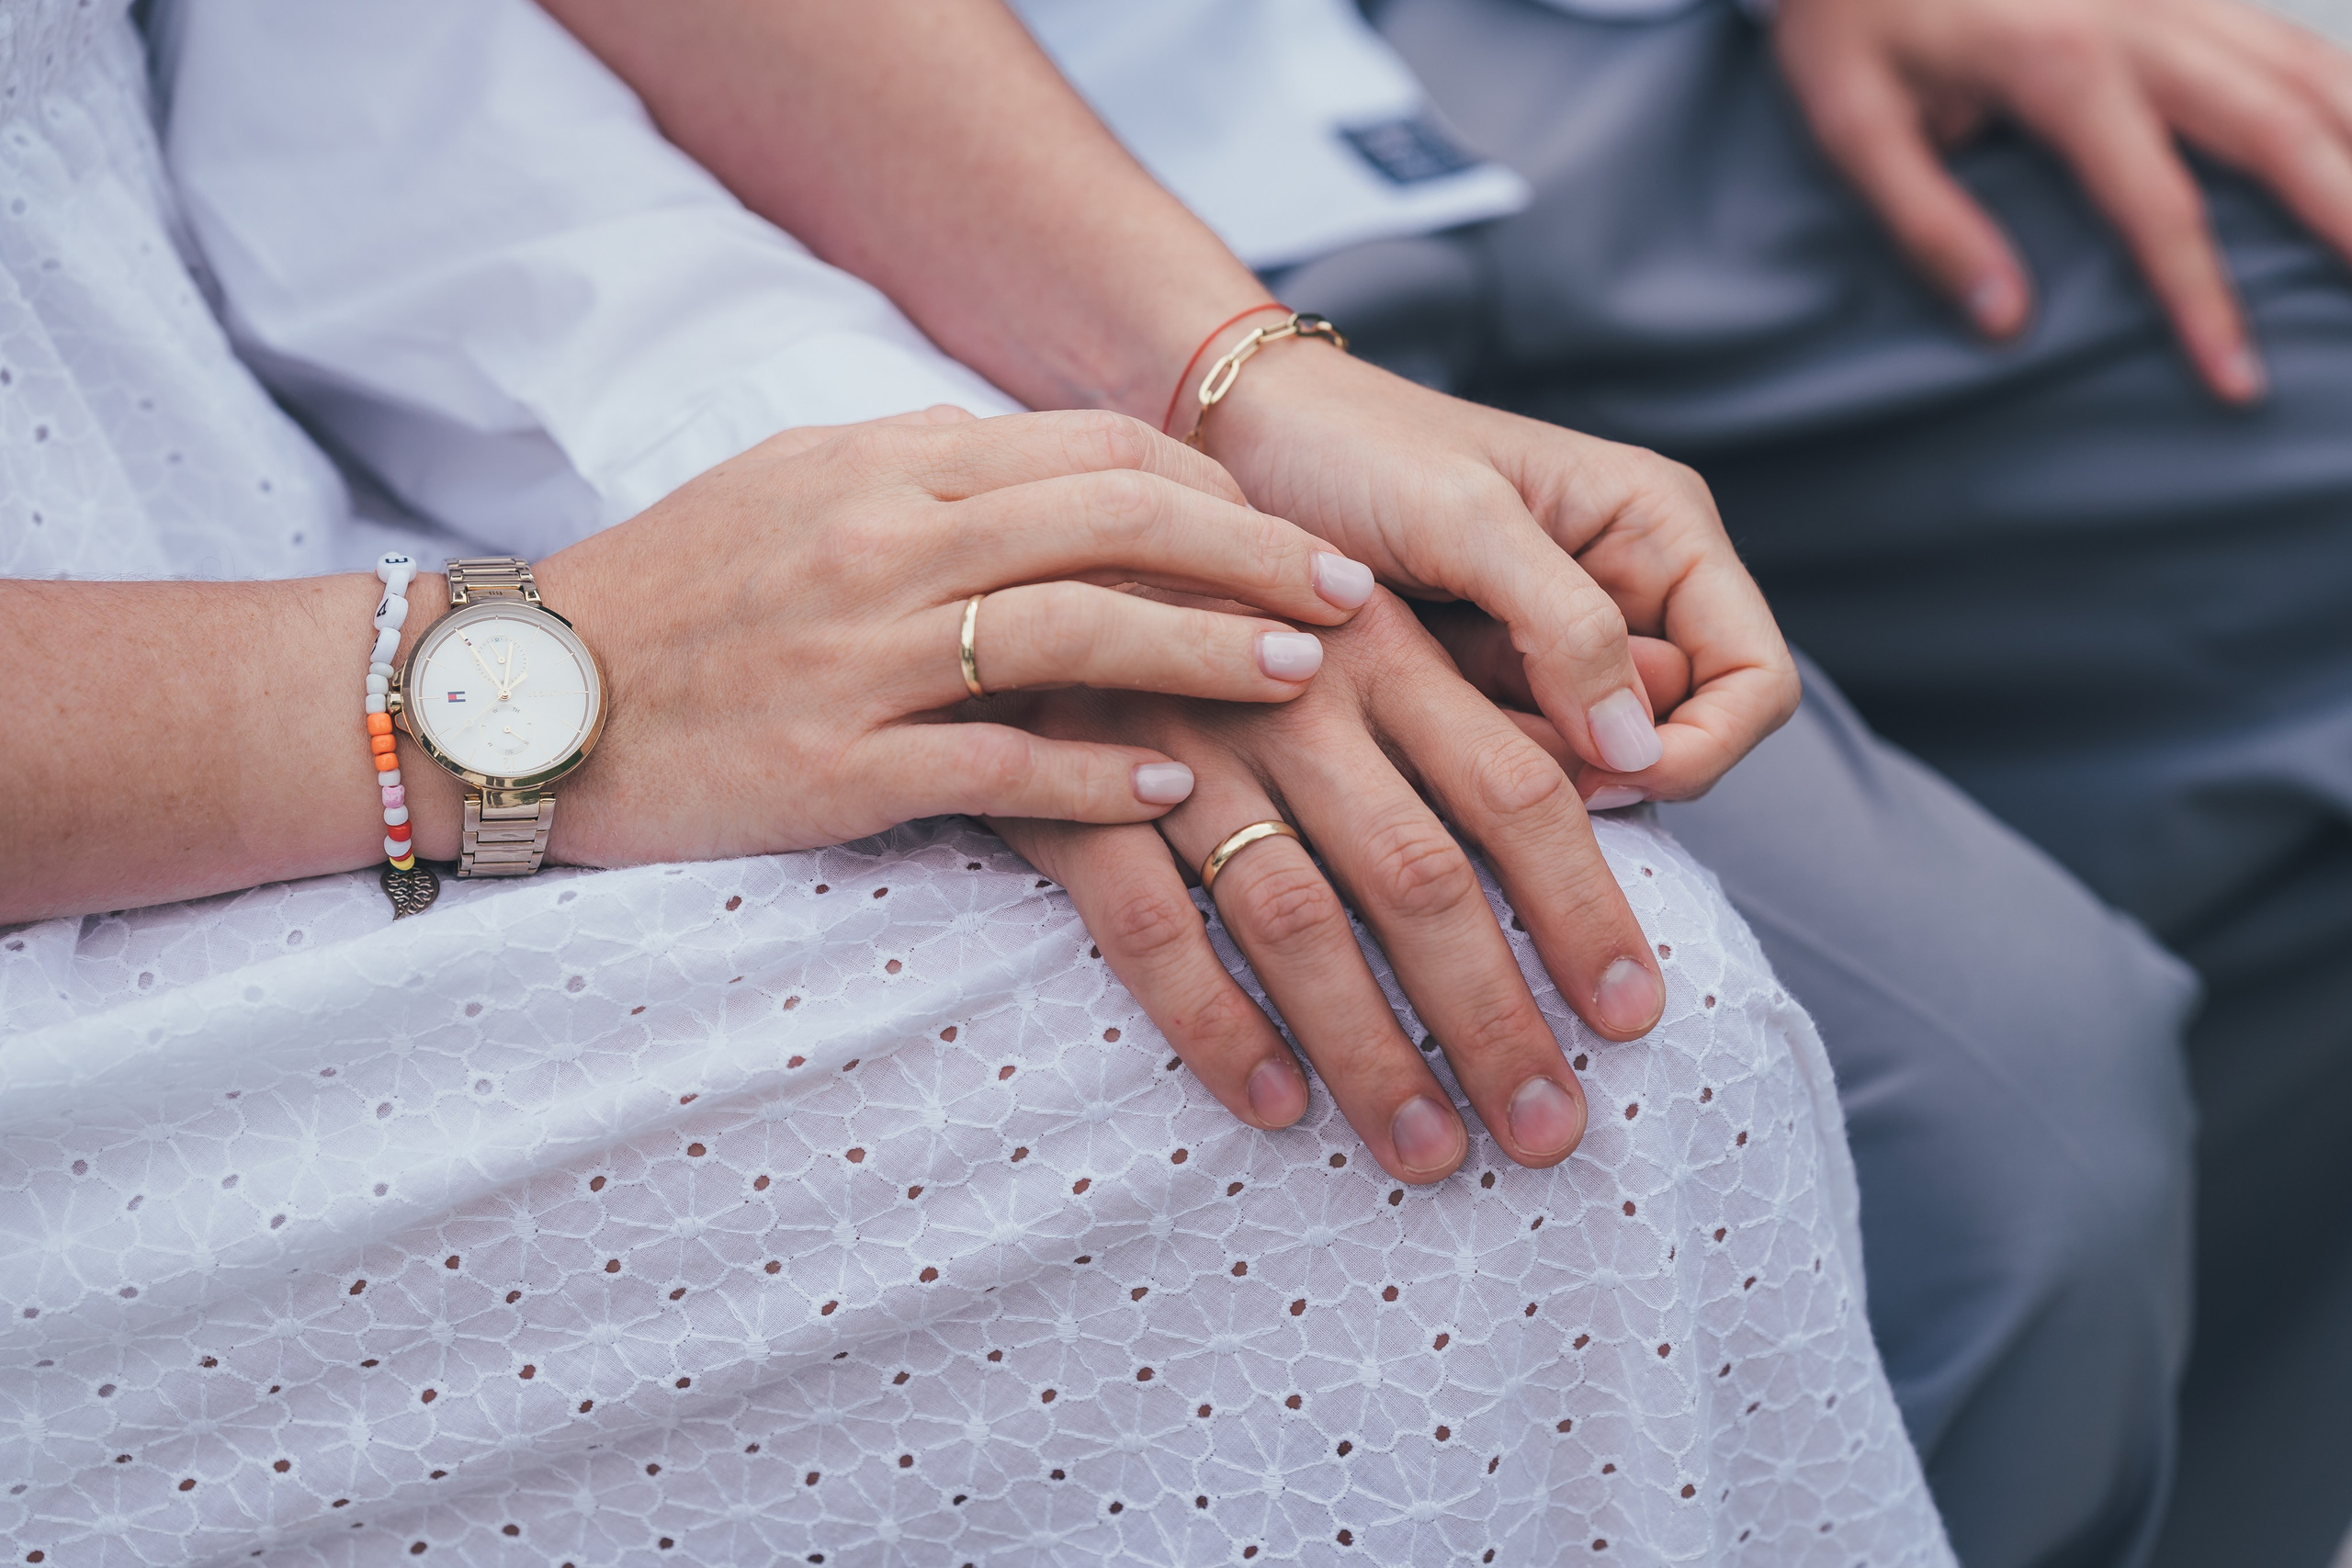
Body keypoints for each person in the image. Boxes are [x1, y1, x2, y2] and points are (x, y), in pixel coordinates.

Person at [150, 3, 2197, 1566]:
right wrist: (513, 677)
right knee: (1681, 1070)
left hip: (716, 326)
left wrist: (1176, 409)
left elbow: (405, 108)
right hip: (244, 724)